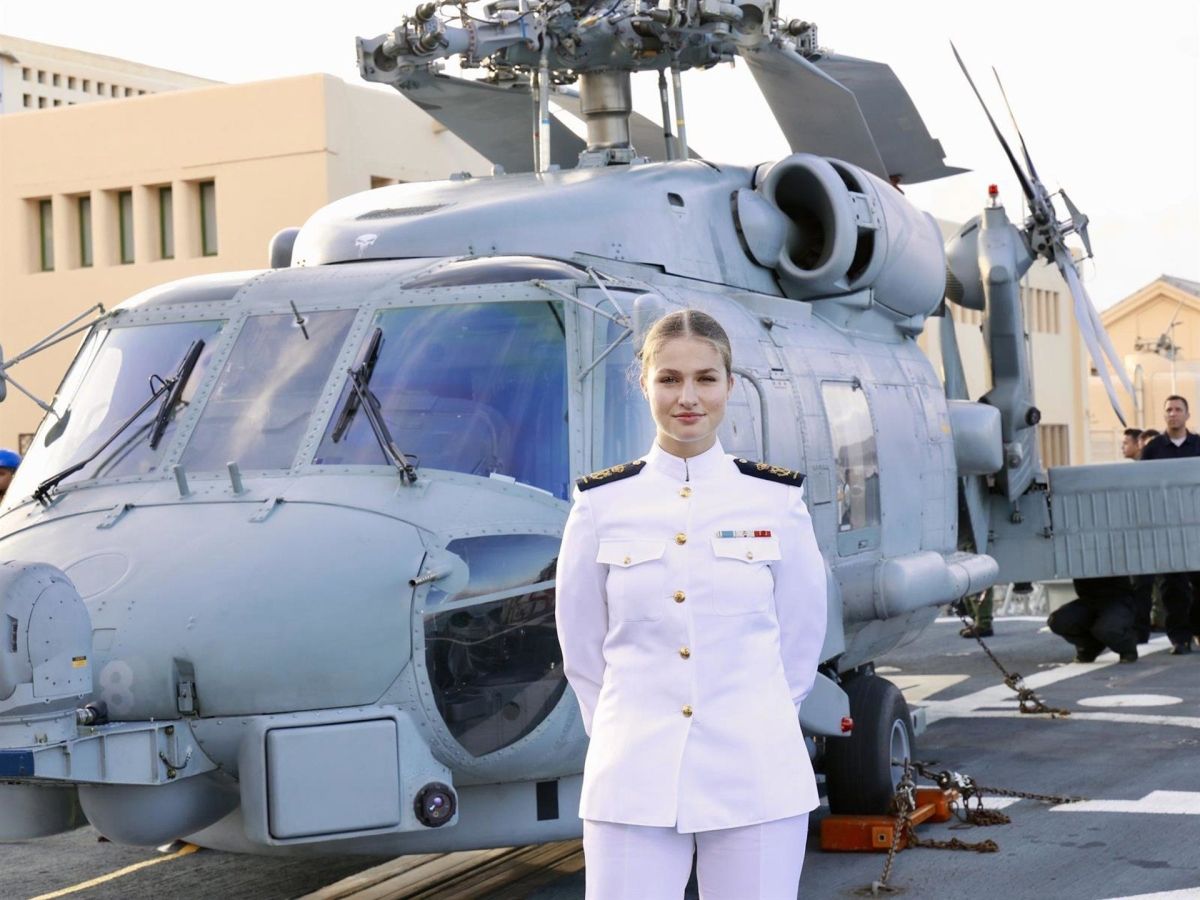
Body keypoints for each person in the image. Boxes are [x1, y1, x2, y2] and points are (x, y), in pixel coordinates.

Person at [555, 309, 827, 900]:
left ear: (729, 384)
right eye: (670, 379)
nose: (688, 397)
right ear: (644, 383)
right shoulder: (601, 505)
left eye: (705, 378)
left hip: (755, 772)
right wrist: (624, 732)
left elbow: (800, 641)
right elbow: (582, 650)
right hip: (633, 775)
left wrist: (756, 720)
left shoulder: (774, 501)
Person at [1140, 396, 1200, 654]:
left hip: (1196, 524)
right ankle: (1179, 638)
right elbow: (1142, 486)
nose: (1173, 414)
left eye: (1178, 409)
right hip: (1166, 526)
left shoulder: (1198, 445)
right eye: (1169, 410)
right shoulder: (1153, 449)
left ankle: (1197, 629)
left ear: (1187, 415)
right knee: (1172, 585)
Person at [1048, 577, 1139, 663]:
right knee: (1057, 621)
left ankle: (1127, 647)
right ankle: (1091, 645)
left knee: (1106, 629)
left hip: (1118, 599)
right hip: (1088, 599)